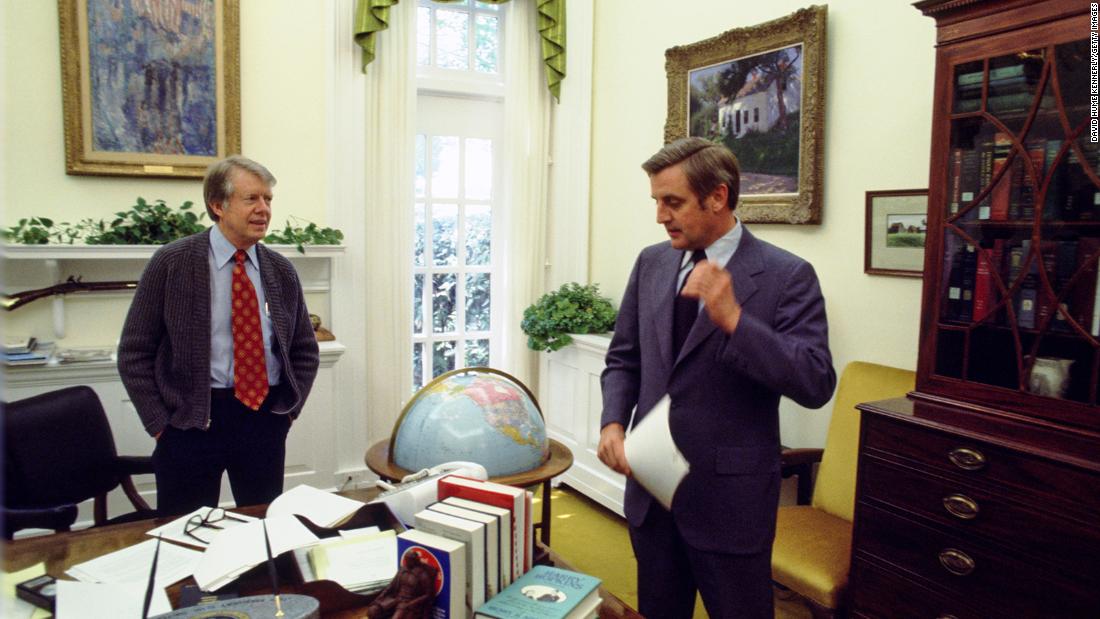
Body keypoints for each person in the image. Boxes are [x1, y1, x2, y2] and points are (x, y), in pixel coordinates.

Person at [597, 137, 836, 618]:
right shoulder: (652, 262)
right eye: (657, 202)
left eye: (673, 202)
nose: (660, 216)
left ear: (718, 197)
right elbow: (624, 358)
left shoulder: (788, 275)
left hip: (731, 505)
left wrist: (736, 321)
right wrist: (612, 424)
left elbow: (815, 381)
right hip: (652, 496)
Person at [118, 155, 320, 516]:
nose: (263, 209)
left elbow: (305, 350)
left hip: (263, 419)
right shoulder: (171, 262)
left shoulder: (281, 270)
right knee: (184, 535)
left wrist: (287, 413)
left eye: (268, 199)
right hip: (190, 421)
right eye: (251, 199)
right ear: (218, 205)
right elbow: (134, 353)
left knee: (262, 530)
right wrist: (159, 425)